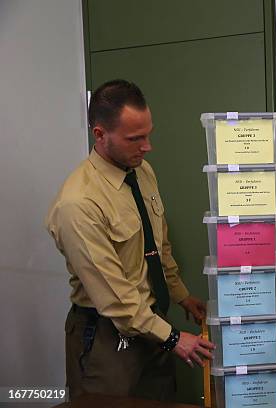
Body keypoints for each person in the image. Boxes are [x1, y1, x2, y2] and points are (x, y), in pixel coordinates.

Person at [46, 79, 215, 401]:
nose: (147, 146)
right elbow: (114, 297)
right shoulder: (79, 204)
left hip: (152, 326)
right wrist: (174, 339)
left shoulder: (142, 170)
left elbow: (157, 244)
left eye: (148, 134)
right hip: (108, 339)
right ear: (100, 134)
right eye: (135, 138)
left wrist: (180, 295)